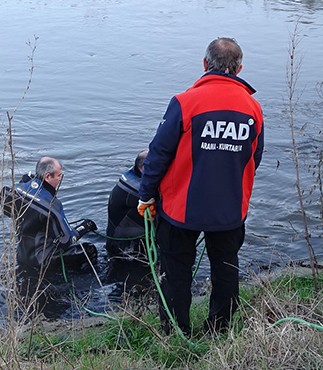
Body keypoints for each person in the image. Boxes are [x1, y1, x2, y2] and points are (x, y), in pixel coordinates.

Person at [138, 37, 264, 336]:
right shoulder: (253, 108)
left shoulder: (185, 102)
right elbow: (254, 158)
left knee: (175, 272)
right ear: (239, 69)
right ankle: (219, 329)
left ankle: (175, 331)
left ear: (205, 65)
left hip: (182, 208)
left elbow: (158, 154)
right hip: (230, 209)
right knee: (226, 270)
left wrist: (146, 195)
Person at [1, 156, 98, 274]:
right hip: (42, 261)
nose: (61, 178)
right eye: (59, 175)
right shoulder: (52, 205)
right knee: (89, 250)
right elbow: (66, 241)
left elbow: (4, 201)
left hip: (22, 256)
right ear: (47, 176)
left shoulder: (17, 189)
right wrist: (85, 226)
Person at [106, 149, 148, 259]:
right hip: (124, 249)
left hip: (134, 240)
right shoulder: (133, 188)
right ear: (143, 168)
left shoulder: (134, 174)